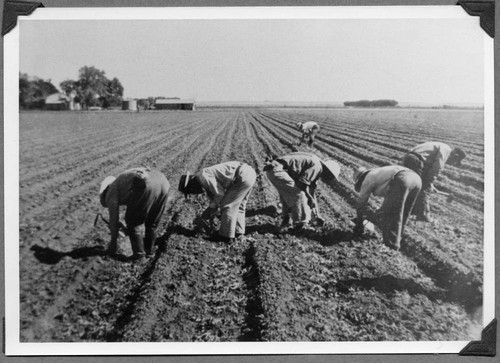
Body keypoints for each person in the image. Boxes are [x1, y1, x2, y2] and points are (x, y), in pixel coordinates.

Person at [99, 167, 170, 260]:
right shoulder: (122, 180)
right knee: (152, 222)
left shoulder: (111, 191)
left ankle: (139, 256)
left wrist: (113, 243)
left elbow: (113, 219)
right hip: (163, 181)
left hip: (146, 183)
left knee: (132, 222)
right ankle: (149, 252)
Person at [179, 161, 257, 243]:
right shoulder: (204, 180)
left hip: (241, 176)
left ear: (192, 185)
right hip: (249, 173)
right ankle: (238, 232)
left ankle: (225, 237)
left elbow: (220, 195)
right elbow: (215, 200)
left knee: (228, 205)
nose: (195, 193)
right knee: (239, 205)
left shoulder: (203, 177)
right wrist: (211, 214)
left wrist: (209, 210)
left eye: (192, 191)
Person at [264, 152, 340, 230]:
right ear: (327, 171)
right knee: (299, 194)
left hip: (273, 169)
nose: (329, 178)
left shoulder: (316, 163)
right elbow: (302, 184)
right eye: (330, 176)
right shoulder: (318, 167)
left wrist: (317, 214)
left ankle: (286, 220)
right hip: (277, 171)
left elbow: (311, 191)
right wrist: (309, 198)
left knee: (289, 194)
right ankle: (300, 224)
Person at [353, 165, 421, 250]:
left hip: (402, 179)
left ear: (360, 179)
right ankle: (399, 240)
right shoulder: (378, 173)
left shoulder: (368, 179)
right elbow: (390, 197)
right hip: (416, 179)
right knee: (404, 213)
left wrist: (359, 223)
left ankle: (391, 246)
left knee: (390, 214)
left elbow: (361, 202)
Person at [401, 141, 466, 222]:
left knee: (411, 186)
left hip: (408, 157)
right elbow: (436, 168)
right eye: (454, 161)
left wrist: (430, 183)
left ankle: (407, 210)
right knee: (423, 188)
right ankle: (423, 215)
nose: (451, 164)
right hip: (416, 160)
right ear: (455, 156)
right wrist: (429, 183)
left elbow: (427, 171)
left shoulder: (441, 146)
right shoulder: (446, 151)